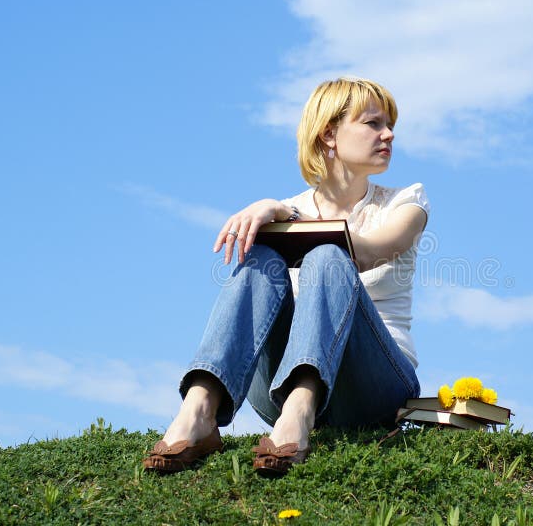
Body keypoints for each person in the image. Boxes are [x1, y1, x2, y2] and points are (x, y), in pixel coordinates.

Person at [143, 77, 430, 476]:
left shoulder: (406, 202)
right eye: (373, 123)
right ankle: (199, 409)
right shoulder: (286, 209)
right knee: (261, 256)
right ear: (329, 134)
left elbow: (368, 250)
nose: (389, 134)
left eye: (389, 124)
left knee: (329, 256)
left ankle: (300, 411)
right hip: (275, 388)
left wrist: (281, 213)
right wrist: (273, 212)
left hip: (377, 387)